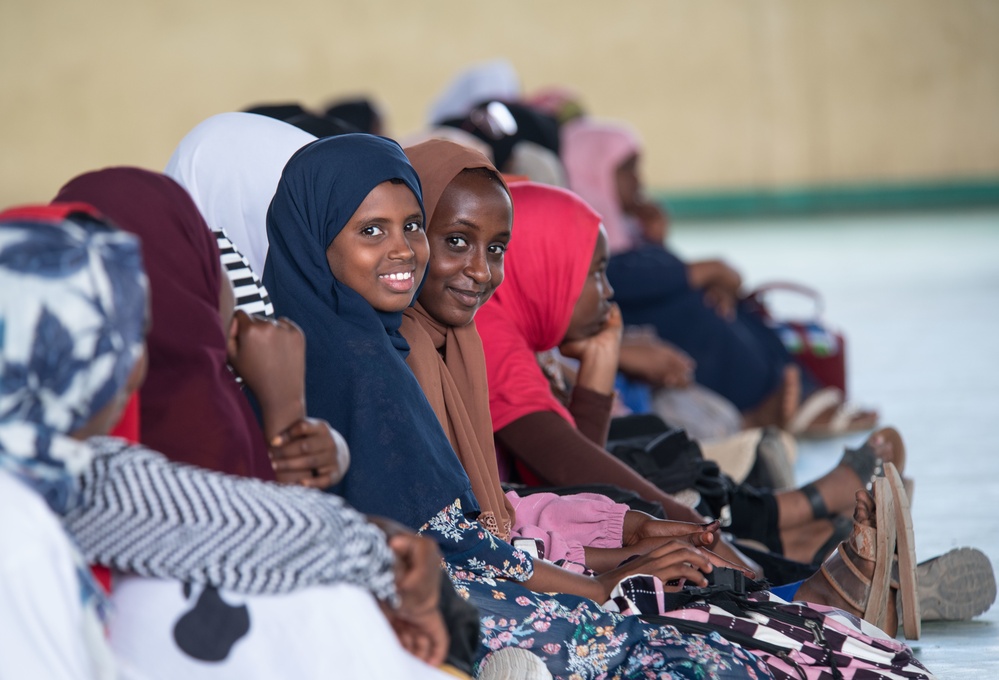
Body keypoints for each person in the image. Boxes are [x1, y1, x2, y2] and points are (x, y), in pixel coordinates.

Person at [262, 132, 773, 679]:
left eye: (411, 227)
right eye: (372, 230)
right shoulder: (365, 359)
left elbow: (470, 524)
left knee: (689, 590)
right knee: (692, 644)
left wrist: (618, 547)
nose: (404, 249)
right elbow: (455, 537)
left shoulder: (380, 343)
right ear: (314, 237)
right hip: (427, 601)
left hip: (464, 576)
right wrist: (601, 581)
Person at [0, 204, 454, 679]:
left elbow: (196, 503)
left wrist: (380, 545)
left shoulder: (59, 472)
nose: (138, 365)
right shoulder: (21, 531)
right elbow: (202, 519)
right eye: (128, 337)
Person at [560, 118, 878, 435]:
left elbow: (702, 277)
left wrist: (668, 250)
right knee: (691, 311)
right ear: (592, 173)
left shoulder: (631, 233)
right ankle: (767, 403)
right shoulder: (580, 247)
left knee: (721, 301)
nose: (638, 180)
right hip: (631, 336)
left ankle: (789, 392)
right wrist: (710, 270)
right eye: (626, 170)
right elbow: (628, 280)